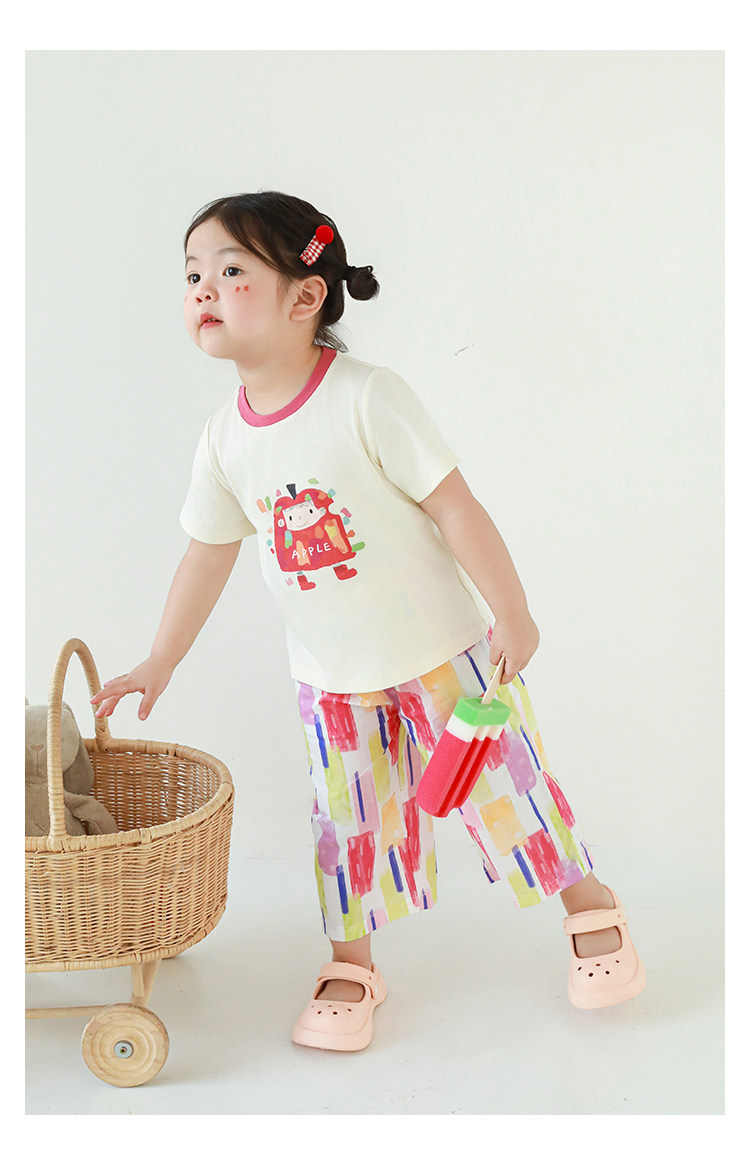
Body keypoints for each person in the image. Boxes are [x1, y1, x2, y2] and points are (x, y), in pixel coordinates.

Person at [91, 190, 645, 1052]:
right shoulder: (223, 439)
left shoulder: (365, 397)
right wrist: (160, 658)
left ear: (306, 295)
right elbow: (205, 555)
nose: (203, 289)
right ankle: (352, 963)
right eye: (193, 274)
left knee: (506, 789)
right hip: (330, 681)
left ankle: (588, 904)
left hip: (445, 659)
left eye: (231, 270)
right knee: (348, 823)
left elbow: (457, 508)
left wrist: (513, 613)